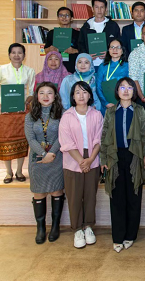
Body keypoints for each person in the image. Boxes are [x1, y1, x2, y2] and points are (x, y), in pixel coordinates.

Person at [100, 77, 145, 253]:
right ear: (117, 91)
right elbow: (104, 135)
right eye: (122, 87)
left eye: (130, 87)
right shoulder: (111, 111)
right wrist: (104, 159)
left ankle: (130, 235)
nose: (126, 90)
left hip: (134, 156)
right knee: (117, 198)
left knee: (134, 197)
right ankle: (118, 237)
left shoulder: (140, 110)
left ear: (134, 92)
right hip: (115, 157)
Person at [59, 81, 103, 249]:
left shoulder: (96, 114)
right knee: (75, 196)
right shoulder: (67, 116)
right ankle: (77, 229)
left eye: (84, 92)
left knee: (90, 195)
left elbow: (99, 139)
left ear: (90, 95)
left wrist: (90, 160)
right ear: (72, 96)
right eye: (77, 92)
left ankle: (88, 226)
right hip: (72, 160)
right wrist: (81, 161)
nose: (81, 95)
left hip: (92, 157)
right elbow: (66, 141)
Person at [0, 42, 35, 184]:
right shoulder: (0, 69)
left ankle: (19, 171)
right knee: (5, 140)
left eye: (20, 52)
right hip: (5, 112)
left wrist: (26, 102)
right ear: (9, 55)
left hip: (22, 112)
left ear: (24, 55)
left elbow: (32, 91)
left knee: (22, 141)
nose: (16, 55)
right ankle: (8, 172)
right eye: (13, 52)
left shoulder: (29, 71)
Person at [25, 82, 65, 244]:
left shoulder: (62, 114)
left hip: (57, 158)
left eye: (49, 93)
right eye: (42, 93)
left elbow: (62, 136)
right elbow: (30, 138)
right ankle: (40, 228)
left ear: (55, 96)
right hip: (37, 159)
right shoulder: (30, 116)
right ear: (37, 96)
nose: (46, 96)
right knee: (39, 192)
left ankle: (55, 226)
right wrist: (43, 154)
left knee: (57, 191)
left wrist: (51, 153)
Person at [78, 0, 121, 71]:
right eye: (96, 7)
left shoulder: (113, 26)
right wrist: (87, 55)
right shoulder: (86, 27)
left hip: (109, 64)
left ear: (106, 9)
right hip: (90, 65)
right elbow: (80, 45)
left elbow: (119, 44)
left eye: (102, 7)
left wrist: (109, 53)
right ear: (92, 9)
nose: (99, 10)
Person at [96, 38, 129, 115]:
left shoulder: (127, 66)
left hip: (123, 104)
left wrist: (122, 102)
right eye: (112, 47)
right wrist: (106, 103)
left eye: (118, 47)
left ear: (122, 50)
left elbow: (130, 86)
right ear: (108, 50)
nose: (115, 50)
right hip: (105, 105)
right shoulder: (102, 66)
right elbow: (98, 87)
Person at [44, 7, 80, 73]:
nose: (64, 17)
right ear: (58, 18)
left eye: (67, 15)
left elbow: (83, 51)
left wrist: (74, 50)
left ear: (71, 18)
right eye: (61, 15)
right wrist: (50, 49)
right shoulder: (51, 33)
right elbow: (46, 50)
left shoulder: (78, 34)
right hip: (55, 66)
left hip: (72, 66)